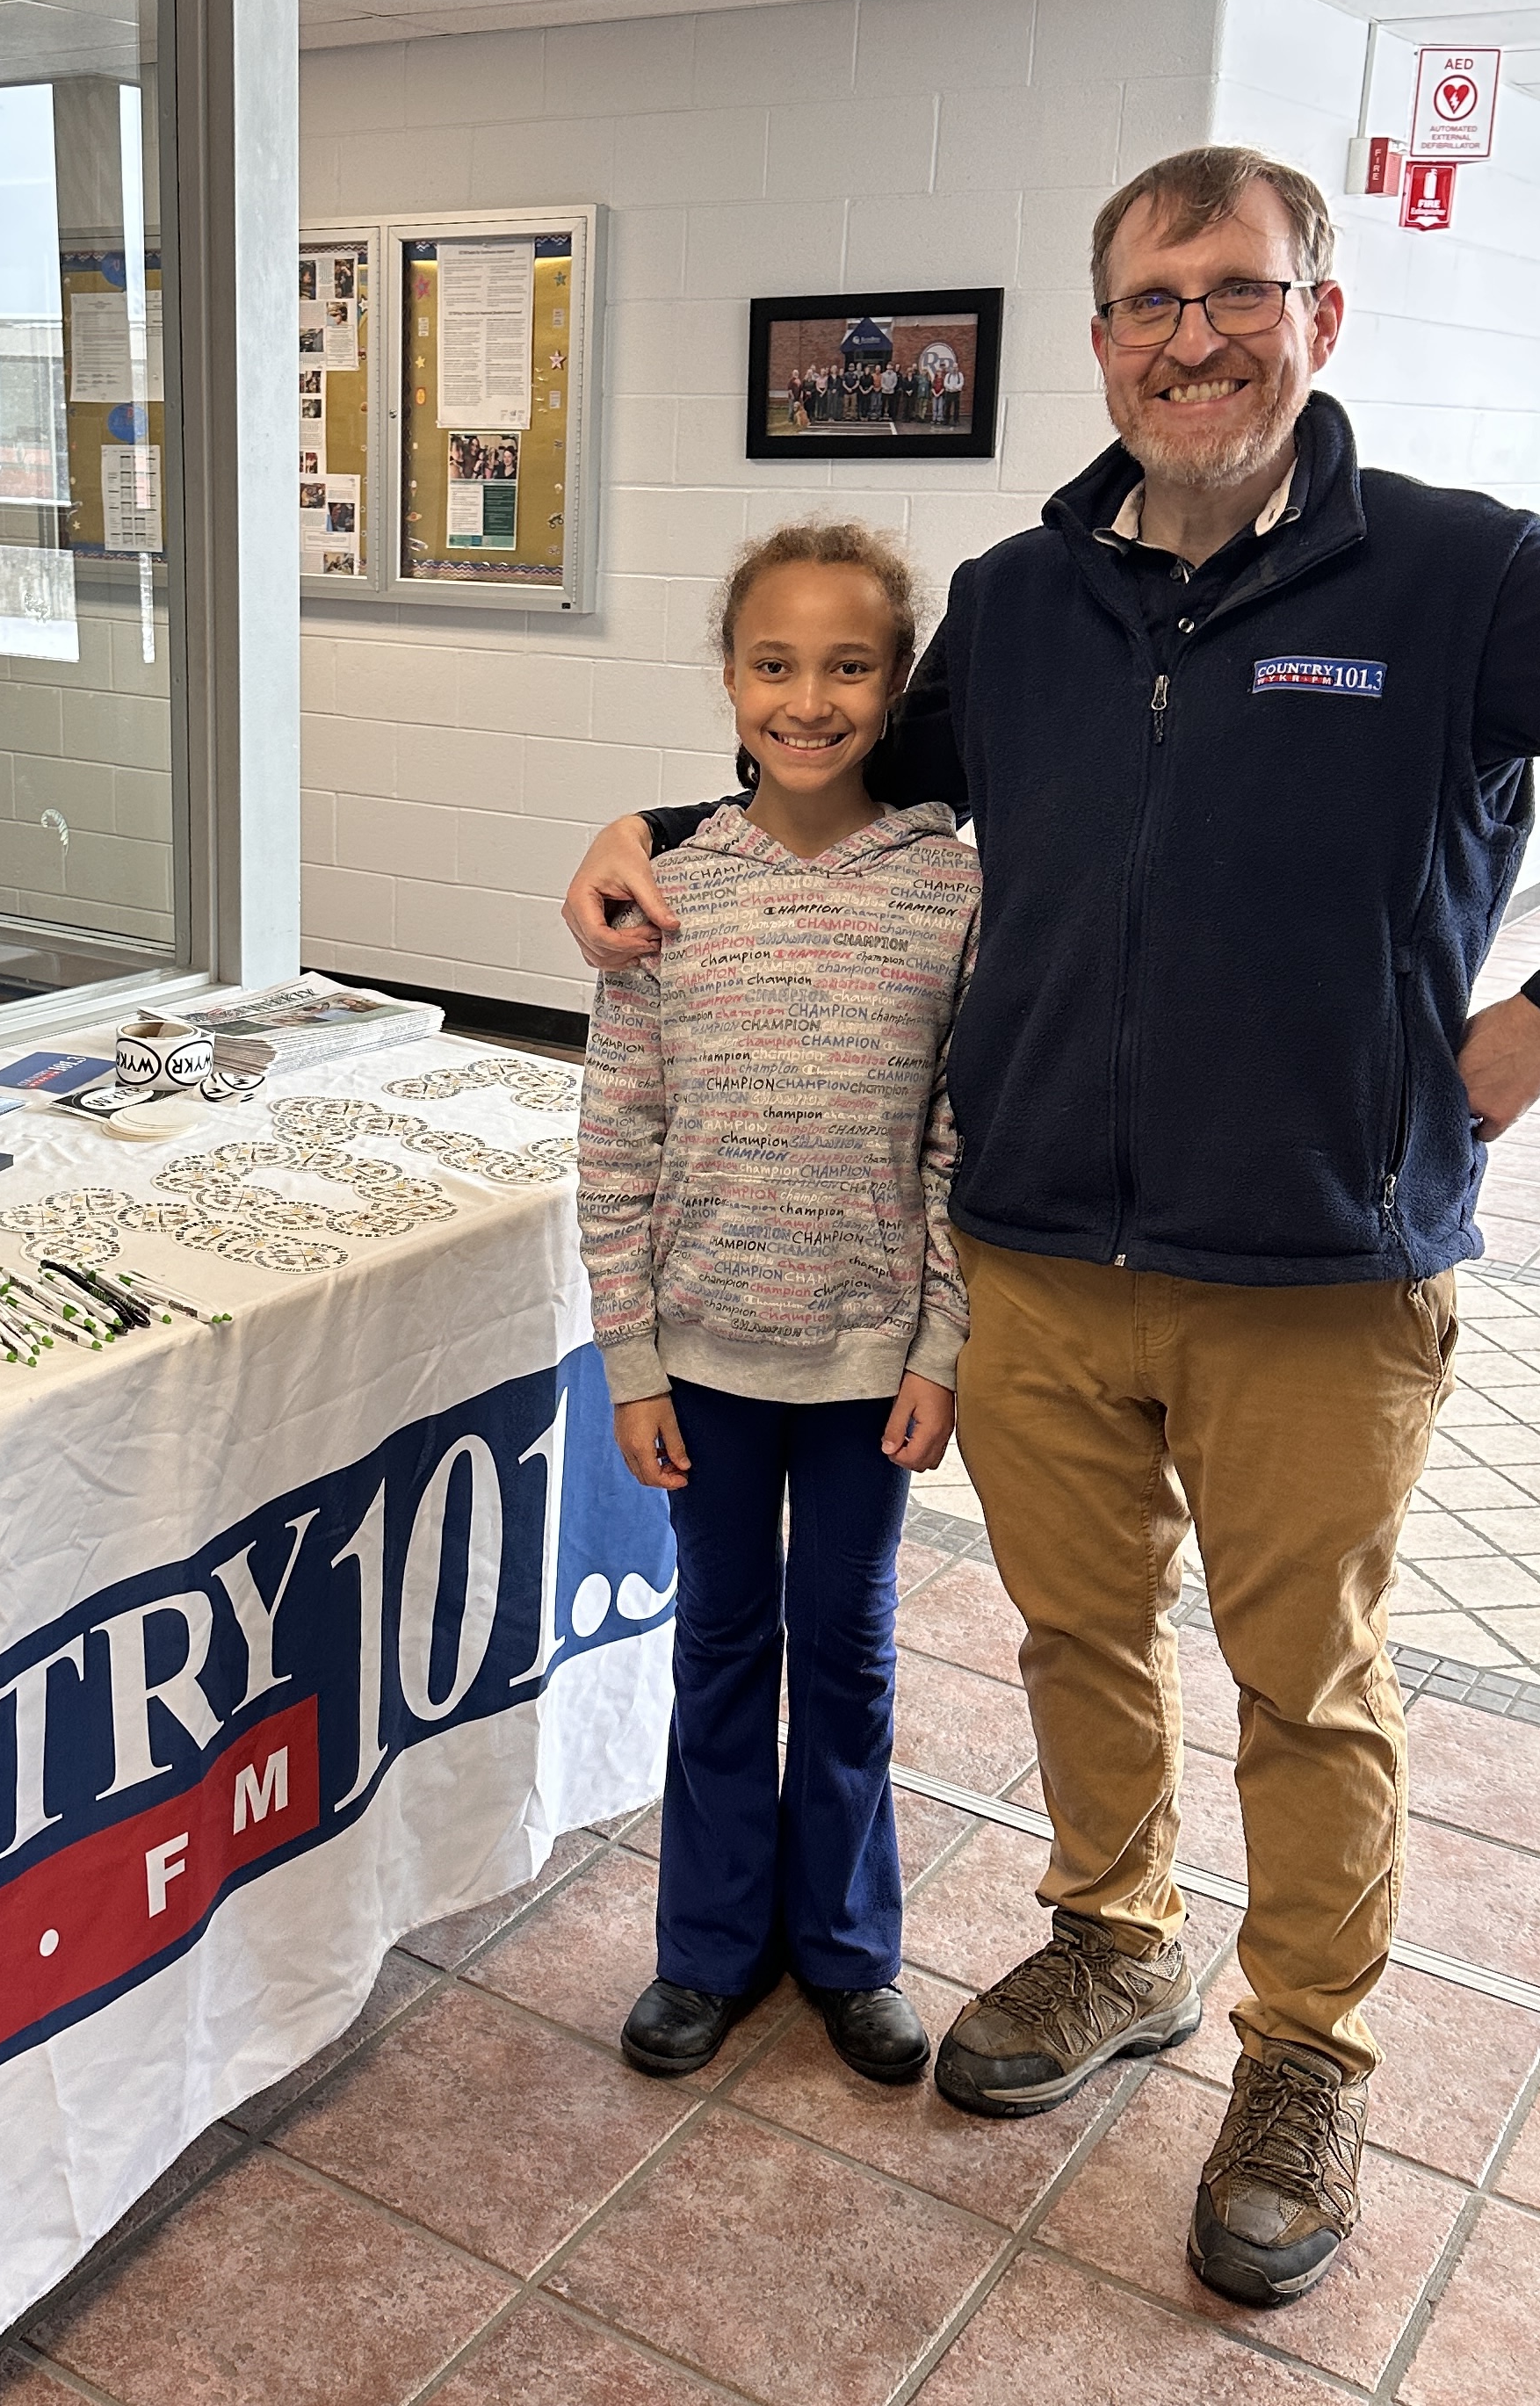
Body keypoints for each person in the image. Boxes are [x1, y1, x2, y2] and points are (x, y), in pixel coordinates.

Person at [561, 143, 1540, 2308]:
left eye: (1236, 292)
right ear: (1101, 336)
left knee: (1305, 1682)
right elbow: (842, 795)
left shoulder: (1457, 579)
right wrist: (639, 831)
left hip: (1318, 1258)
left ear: (1323, 312)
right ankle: (1115, 1941)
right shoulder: (1026, 603)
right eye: (1148, 303)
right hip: (1030, 1248)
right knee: (1072, 1638)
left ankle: (1306, 2055)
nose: (1191, 337)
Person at [577, 517, 979, 2091]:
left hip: (869, 1363)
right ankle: (709, 1947)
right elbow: (618, 1137)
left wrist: (939, 1347)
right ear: (728, 678)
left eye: (849, 667)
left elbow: (958, 1143)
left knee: (853, 1649)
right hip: (706, 1361)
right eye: (774, 664)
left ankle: (850, 1948)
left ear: (895, 686)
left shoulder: (950, 894)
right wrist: (631, 1356)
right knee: (724, 1646)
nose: (808, 701)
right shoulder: (664, 896)